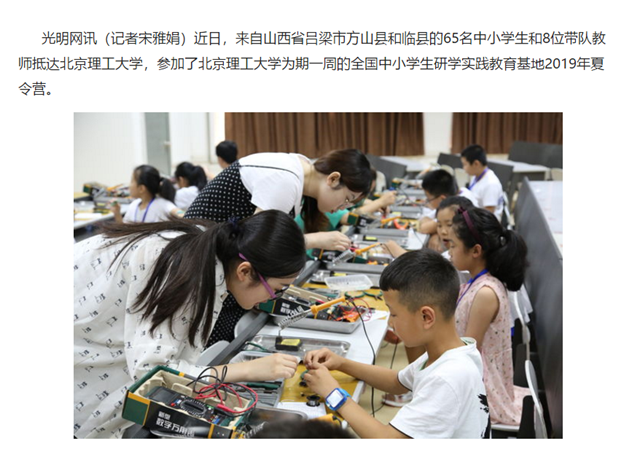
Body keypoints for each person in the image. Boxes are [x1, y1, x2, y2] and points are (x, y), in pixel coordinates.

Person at [74, 210, 307, 438]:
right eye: (277, 290)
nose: (273, 298)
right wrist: (247, 370)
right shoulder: (182, 268)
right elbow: (153, 375)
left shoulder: (210, 254)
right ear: (244, 271)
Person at [303, 250, 491, 438]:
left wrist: (334, 393)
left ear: (426, 317)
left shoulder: (447, 377)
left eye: (393, 314)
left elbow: (387, 440)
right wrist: (341, 363)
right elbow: (397, 382)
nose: (390, 323)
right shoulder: (451, 352)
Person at [184, 149, 373, 251]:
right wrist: (315, 240)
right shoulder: (286, 180)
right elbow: (259, 244)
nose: (343, 207)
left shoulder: (300, 172)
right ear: (333, 179)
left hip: (210, 249)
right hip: (193, 250)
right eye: (347, 199)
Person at [448, 206, 529, 426]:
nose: (449, 252)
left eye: (453, 245)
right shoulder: (476, 282)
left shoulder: (485, 293)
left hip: (483, 391)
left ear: (475, 250)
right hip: (474, 375)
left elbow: (469, 351)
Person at [111, 165, 183, 223]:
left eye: (132, 181)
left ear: (141, 188)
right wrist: (117, 213)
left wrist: (182, 214)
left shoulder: (162, 204)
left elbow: (180, 213)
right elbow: (124, 228)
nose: (129, 185)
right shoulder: (134, 205)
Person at [460, 144, 504, 220]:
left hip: (485, 223)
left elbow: (488, 214)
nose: (463, 168)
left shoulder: (491, 184)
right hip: (475, 215)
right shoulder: (476, 176)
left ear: (476, 164)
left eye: (465, 164)